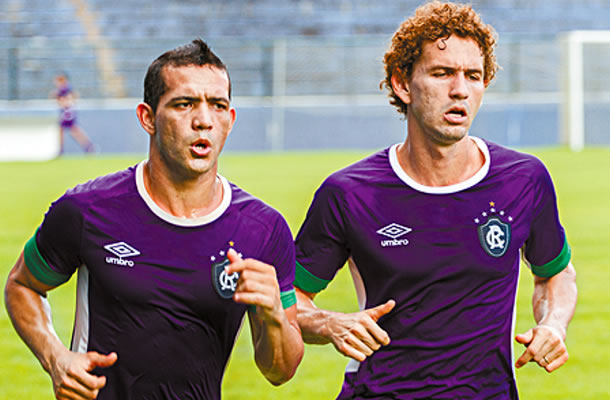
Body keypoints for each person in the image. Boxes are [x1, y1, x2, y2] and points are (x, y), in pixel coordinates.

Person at [293, 2, 577, 399]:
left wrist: (553, 324)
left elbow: (555, 274)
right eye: (442, 73)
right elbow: (289, 299)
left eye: (473, 75)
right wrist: (327, 323)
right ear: (402, 84)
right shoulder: (349, 193)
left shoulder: (524, 179)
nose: (460, 89)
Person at [5, 39, 303, 400]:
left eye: (217, 105)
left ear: (230, 120)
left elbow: (279, 371)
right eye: (184, 104)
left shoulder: (263, 229)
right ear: (147, 117)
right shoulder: (86, 210)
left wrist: (274, 314)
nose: (203, 120)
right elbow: (22, 285)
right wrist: (55, 357)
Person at [52, 72, 95, 154]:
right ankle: (88, 146)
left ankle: (88, 146)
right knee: (68, 130)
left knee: (73, 130)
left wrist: (63, 102)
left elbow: (68, 100)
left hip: (67, 112)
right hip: (66, 111)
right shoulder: (63, 89)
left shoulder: (65, 89)